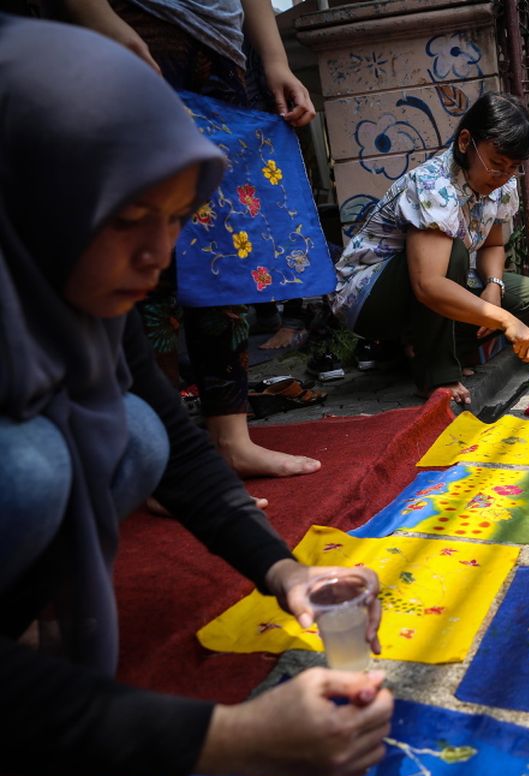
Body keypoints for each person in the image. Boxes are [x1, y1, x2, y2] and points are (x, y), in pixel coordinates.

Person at [0, 17, 391, 776]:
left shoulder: (74, 292)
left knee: (136, 433)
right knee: (32, 466)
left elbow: (180, 444)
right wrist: (228, 738)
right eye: (126, 218)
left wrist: (285, 573)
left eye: (177, 219)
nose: (158, 256)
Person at [66, 0, 324, 480]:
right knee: (146, 258)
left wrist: (274, 59)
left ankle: (230, 438)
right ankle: (160, 456)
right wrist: (100, 18)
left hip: (220, 46)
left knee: (224, 247)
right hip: (132, 31)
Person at [331, 92, 529, 405]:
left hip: (433, 283)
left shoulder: (502, 184)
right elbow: (428, 285)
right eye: (497, 164)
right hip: (368, 297)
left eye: (513, 167)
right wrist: (505, 320)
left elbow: (494, 244)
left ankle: (430, 350)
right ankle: (436, 373)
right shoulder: (434, 186)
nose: (503, 176)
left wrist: (494, 287)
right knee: (454, 255)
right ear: (464, 142)